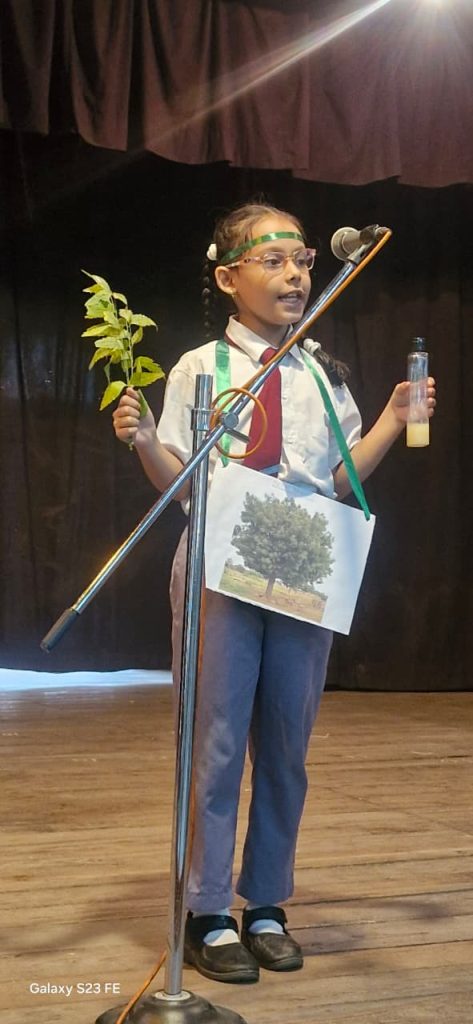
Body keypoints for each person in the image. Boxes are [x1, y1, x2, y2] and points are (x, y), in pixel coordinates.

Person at [112, 202, 436, 985]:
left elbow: (337, 480)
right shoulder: (200, 368)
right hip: (221, 557)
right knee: (217, 741)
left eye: (303, 262)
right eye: (273, 261)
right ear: (229, 278)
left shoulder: (322, 374)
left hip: (300, 558)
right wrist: (148, 441)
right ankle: (207, 909)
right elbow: (182, 486)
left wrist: (392, 419)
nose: (294, 275)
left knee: (287, 745)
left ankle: (264, 902)